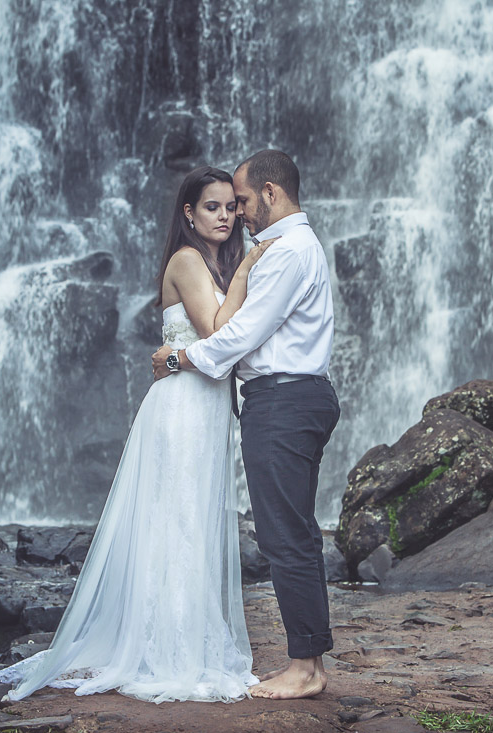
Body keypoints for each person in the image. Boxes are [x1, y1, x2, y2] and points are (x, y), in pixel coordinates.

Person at [0, 166, 274, 703]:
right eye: (212, 207)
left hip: (207, 409)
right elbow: (216, 331)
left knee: (193, 521)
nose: (226, 216)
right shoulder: (187, 260)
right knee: (177, 520)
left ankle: (185, 639)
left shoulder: (216, 263)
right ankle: (167, 647)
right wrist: (249, 268)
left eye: (232, 207)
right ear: (189, 213)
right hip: (181, 410)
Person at [152, 150, 338, 700]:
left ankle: (305, 667)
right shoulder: (286, 248)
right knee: (295, 532)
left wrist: (178, 358)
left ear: (272, 194)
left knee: (284, 537)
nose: (238, 214)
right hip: (290, 399)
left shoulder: (285, 251)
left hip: (282, 402)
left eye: (243, 201)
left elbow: (238, 334)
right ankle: (309, 660)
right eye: (225, 206)